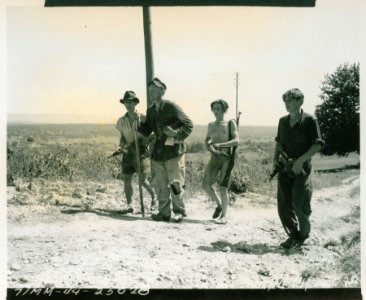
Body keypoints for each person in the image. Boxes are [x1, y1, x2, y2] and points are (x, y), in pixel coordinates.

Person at [273, 88, 324, 250]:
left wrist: (300, 161)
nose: (287, 104)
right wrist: (275, 160)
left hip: (302, 169)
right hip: (284, 168)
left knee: (299, 203)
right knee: (283, 206)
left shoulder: (310, 120)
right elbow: (279, 143)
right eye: (285, 101)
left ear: (300, 101)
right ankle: (294, 236)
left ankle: (303, 235)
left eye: (290, 100)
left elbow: (317, 144)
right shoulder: (282, 121)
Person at [139, 78, 193, 222]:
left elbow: (189, 125)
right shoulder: (150, 111)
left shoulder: (171, 107)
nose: (151, 92)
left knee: (175, 183)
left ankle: (179, 211)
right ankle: (164, 213)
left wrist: (175, 134)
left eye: (155, 89)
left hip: (174, 152)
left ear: (163, 91)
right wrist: (139, 121)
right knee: (161, 184)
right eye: (150, 89)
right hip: (158, 152)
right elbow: (146, 131)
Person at [115, 90, 156, 213]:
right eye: (126, 102)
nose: (128, 105)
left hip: (142, 152)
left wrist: (146, 140)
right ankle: (130, 205)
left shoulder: (143, 118)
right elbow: (122, 137)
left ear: (135, 103)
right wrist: (121, 146)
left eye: (130, 102)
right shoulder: (121, 120)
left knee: (142, 180)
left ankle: (155, 198)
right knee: (126, 179)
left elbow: (153, 134)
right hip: (128, 152)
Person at [202, 99, 239, 225]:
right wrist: (209, 146)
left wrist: (220, 145)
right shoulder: (211, 125)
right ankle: (219, 205)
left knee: (223, 187)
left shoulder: (230, 123)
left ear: (224, 110)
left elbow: (236, 141)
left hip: (226, 158)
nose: (217, 111)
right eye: (215, 109)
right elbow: (207, 139)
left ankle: (224, 216)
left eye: (219, 109)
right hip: (214, 157)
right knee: (206, 184)